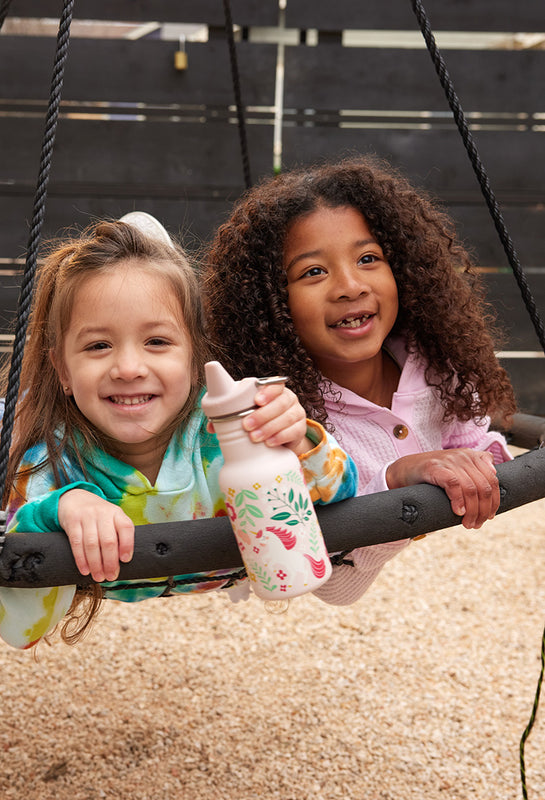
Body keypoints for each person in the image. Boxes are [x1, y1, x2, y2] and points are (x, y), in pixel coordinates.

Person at [0, 215, 357, 649]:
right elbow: (17, 558)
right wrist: (64, 506)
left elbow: (342, 493)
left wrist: (298, 438)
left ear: (194, 358)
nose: (129, 368)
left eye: (157, 342)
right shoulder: (52, 454)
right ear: (63, 371)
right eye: (98, 346)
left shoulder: (226, 433)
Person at [203, 155, 517, 605]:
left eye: (369, 258)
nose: (350, 285)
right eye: (313, 271)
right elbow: (328, 575)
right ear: (271, 303)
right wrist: (397, 475)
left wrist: (487, 467)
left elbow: (473, 440)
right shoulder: (284, 413)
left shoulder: (434, 363)